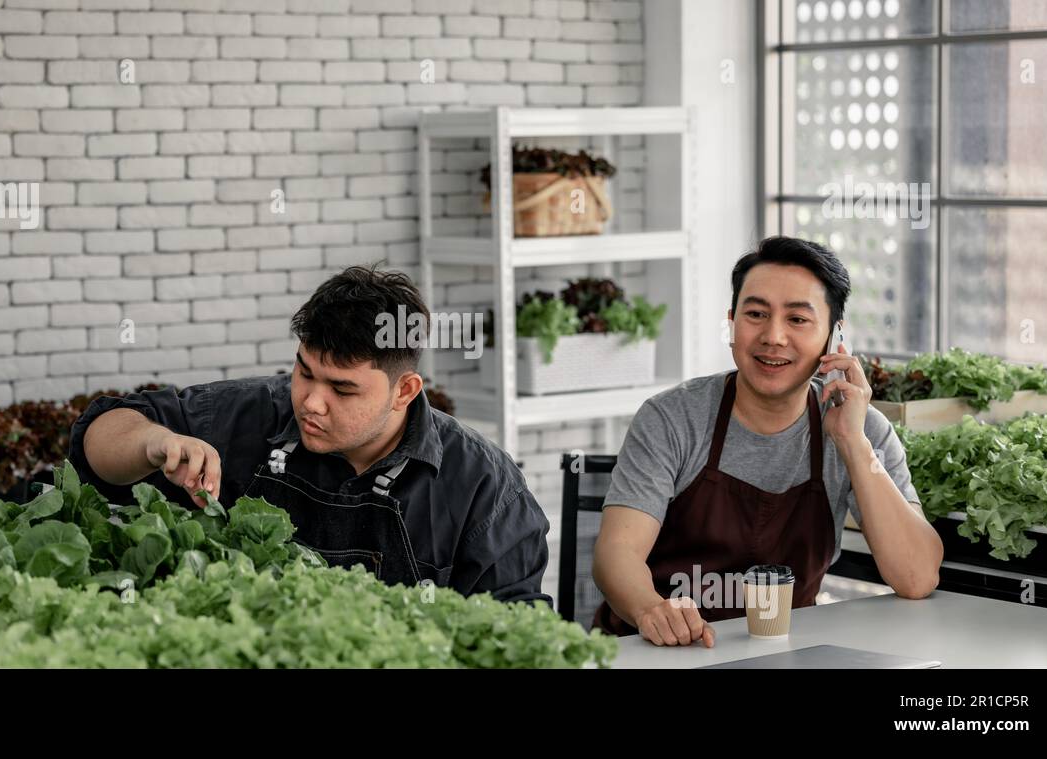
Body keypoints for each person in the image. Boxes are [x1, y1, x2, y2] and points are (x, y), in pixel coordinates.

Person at [69, 265, 551, 604]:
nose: (310, 402)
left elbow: (513, 631)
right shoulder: (245, 415)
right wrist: (152, 443)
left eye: (342, 389)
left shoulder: (484, 488)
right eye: (304, 372)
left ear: (404, 391)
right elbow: (98, 437)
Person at [592, 236, 942, 647]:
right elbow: (616, 553)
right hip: (662, 652)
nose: (773, 336)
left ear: (834, 336)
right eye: (756, 314)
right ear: (732, 322)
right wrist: (651, 609)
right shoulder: (672, 418)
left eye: (797, 319)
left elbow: (917, 577)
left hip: (783, 652)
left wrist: (852, 442)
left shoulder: (863, 429)